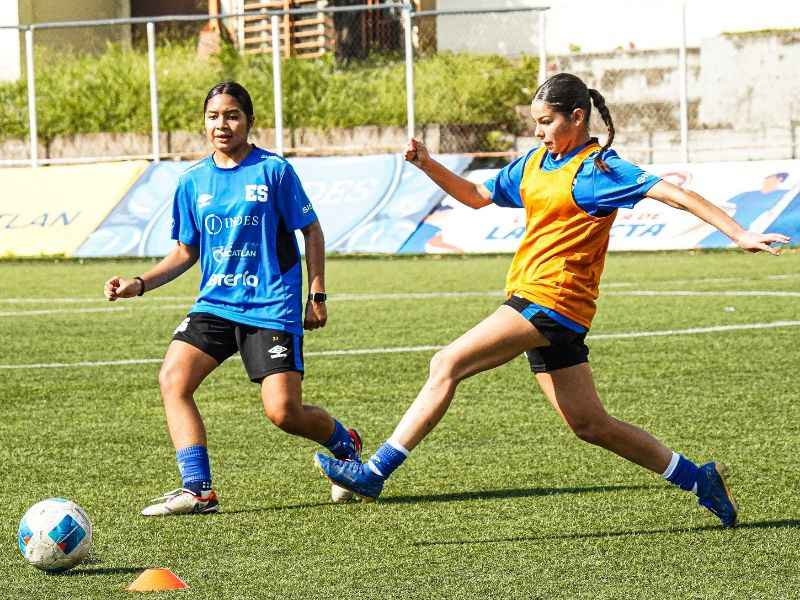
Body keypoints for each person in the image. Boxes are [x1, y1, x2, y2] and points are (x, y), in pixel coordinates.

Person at [315, 72, 791, 528]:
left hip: (552, 301)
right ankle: (699, 477)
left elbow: (675, 194)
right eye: (536, 122)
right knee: (590, 424)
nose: (538, 130)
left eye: (547, 121)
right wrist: (427, 163)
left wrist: (738, 232)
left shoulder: (599, 169)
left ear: (577, 117)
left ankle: (374, 472)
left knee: (447, 363)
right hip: (540, 302)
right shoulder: (534, 163)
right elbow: (477, 195)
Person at [104, 81, 361, 516]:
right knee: (173, 380)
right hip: (215, 305)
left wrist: (316, 293)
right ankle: (198, 489)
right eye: (213, 116)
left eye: (232, 115)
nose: (222, 124)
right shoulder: (192, 182)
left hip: (271, 306)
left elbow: (311, 230)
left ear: (249, 121)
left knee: (284, 412)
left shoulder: (273, 171)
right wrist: (139, 282)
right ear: (204, 122)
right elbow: (187, 251)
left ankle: (345, 444)